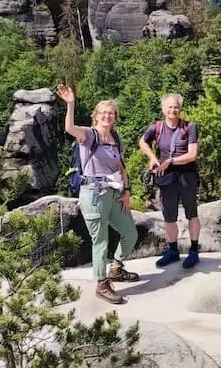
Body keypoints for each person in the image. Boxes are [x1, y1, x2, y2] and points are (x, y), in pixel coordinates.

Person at [55, 84, 139, 305]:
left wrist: (127, 191)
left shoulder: (115, 138)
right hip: (93, 195)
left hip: (114, 194)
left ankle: (116, 268)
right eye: (103, 113)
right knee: (100, 240)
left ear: (115, 117)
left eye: (110, 113)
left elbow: (121, 166)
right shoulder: (89, 135)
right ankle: (102, 284)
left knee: (130, 233)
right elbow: (69, 127)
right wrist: (70, 104)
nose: (107, 116)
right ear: (96, 116)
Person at [139, 92, 201, 269]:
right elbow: (142, 142)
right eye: (170, 107)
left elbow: (192, 154)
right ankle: (173, 251)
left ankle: (194, 250)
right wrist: (152, 158)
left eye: (176, 107)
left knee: (192, 213)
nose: (173, 110)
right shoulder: (157, 127)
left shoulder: (189, 127)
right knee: (169, 216)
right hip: (166, 178)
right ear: (163, 109)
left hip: (186, 175)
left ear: (180, 109)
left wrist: (170, 161)